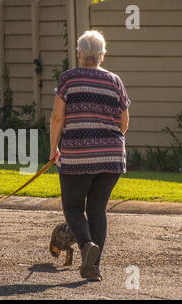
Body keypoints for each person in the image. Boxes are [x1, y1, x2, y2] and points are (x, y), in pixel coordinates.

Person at [49, 30, 131, 281]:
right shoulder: (115, 81)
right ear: (102, 55)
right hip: (111, 157)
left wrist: (53, 149)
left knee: (73, 207)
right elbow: (124, 123)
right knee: (97, 210)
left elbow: (58, 117)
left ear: (79, 54)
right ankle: (93, 268)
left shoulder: (69, 78)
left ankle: (86, 247)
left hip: (77, 156)